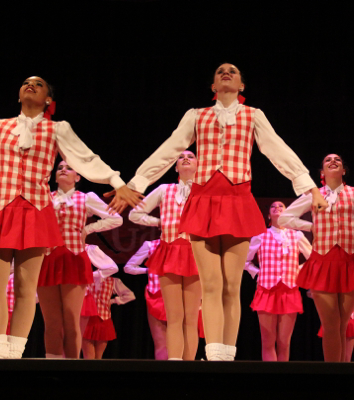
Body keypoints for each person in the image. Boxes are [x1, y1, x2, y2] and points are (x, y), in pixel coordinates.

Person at [116, 64, 327, 361]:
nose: (226, 72)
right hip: (203, 201)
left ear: (242, 85)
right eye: (220, 71)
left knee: (232, 284)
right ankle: (214, 355)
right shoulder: (196, 115)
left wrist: (310, 188)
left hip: (237, 199)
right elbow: (169, 149)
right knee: (211, 284)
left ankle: (227, 355)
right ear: (213, 85)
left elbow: (277, 150)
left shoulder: (253, 115)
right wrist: (136, 183)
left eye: (233, 71)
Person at [0, 77, 140, 359]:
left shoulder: (57, 129)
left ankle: (14, 350)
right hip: (1, 207)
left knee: (25, 287)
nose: (30, 85)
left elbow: (85, 158)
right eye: (25, 82)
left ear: (49, 98)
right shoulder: (0, 125)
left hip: (35, 211)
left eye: (38, 84)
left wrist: (115, 180)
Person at [280, 153, 354, 362]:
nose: (333, 161)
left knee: (343, 324)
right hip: (322, 261)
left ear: (343, 171)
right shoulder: (314, 195)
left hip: (349, 262)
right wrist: (310, 226)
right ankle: (331, 373)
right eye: (327, 160)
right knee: (331, 324)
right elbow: (284, 217)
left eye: (338, 160)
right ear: (322, 173)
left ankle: (341, 371)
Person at [36, 160, 122, 358]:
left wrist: (88, 229)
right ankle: (53, 365)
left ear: (78, 177)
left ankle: (72, 366)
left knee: (71, 317)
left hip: (73, 257)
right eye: (60, 168)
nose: (63, 170)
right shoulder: (44, 198)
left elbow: (116, 218)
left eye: (69, 168)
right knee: (51, 321)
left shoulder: (86, 198)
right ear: (55, 176)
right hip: (48, 258)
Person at [128, 151, 201, 360]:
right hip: (169, 251)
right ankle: (176, 366)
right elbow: (135, 214)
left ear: (199, 164)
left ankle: (191, 367)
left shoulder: (205, 191)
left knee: (191, 318)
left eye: (191, 156)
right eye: (180, 157)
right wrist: (159, 222)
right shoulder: (164, 190)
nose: (186, 158)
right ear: (175, 167)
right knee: (174, 317)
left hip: (195, 252)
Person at [244, 201, 312, 361]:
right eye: (273, 207)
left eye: (281, 206)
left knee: (284, 342)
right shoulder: (260, 236)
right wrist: (258, 273)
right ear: (269, 215)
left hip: (289, 291)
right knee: (267, 342)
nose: (277, 208)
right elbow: (245, 261)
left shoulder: (296, 235)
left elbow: (312, 258)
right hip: (266, 291)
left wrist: (298, 270)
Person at [82, 245, 134, 359]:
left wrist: (113, 301)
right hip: (87, 319)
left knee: (99, 357)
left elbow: (130, 295)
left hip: (104, 319)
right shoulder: (86, 278)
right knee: (89, 356)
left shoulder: (113, 281)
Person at [124, 239, 168, 360]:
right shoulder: (151, 245)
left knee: (181, 341)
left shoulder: (189, 243)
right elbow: (129, 267)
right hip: (157, 295)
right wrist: (150, 270)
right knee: (161, 343)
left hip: (178, 295)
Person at [314, 285, 354, 362]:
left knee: (346, 358)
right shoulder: (328, 279)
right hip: (333, 318)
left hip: (349, 317)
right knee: (333, 355)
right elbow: (311, 292)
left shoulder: (348, 277)